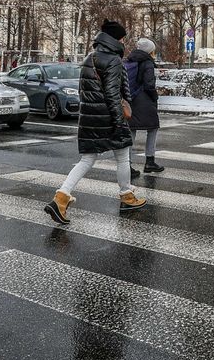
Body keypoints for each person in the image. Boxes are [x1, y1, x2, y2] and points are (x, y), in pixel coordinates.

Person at [44, 20, 146, 224]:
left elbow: (85, 91)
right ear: (115, 39)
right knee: (123, 156)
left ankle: (61, 198)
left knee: (86, 160)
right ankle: (127, 196)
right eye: (122, 38)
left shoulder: (90, 58)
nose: (123, 42)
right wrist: (119, 122)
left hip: (90, 118)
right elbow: (112, 95)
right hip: (108, 118)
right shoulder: (113, 60)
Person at [123, 37, 164, 174]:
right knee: (153, 128)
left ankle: (126, 165)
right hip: (145, 100)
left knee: (131, 131)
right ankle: (150, 161)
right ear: (150, 51)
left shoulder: (130, 60)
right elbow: (149, 84)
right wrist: (154, 96)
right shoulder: (147, 63)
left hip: (131, 99)